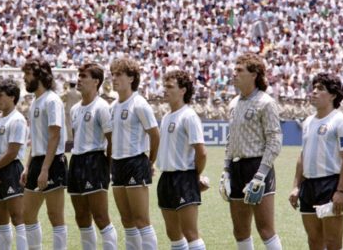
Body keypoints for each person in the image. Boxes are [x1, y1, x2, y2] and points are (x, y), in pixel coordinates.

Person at [218, 53, 283, 250]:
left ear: (254, 74)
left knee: (265, 229)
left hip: (257, 167)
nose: (234, 73)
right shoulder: (233, 103)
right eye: (234, 69)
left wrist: (260, 174)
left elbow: (274, 140)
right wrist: (226, 170)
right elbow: (231, 140)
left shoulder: (266, 102)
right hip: (236, 168)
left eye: (240, 70)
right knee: (240, 230)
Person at [288, 73, 343, 250]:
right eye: (314, 88)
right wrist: (296, 186)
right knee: (314, 241)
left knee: (333, 243)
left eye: (320, 89)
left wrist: (340, 190)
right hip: (308, 186)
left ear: (333, 95)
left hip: (330, 184)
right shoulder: (308, 121)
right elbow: (303, 155)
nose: (314, 92)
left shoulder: (342, 121)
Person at [109, 57, 160, 250]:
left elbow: (155, 134)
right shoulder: (113, 107)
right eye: (112, 74)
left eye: (119, 74)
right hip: (117, 163)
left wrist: (150, 161)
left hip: (135, 162)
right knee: (126, 220)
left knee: (141, 220)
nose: (114, 78)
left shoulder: (139, 103)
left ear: (131, 78)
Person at [156, 70, 207, 250]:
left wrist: (195, 176)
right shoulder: (166, 117)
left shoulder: (189, 116)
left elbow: (201, 153)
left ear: (183, 90)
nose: (165, 90)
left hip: (184, 178)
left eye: (170, 87)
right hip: (166, 178)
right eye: (165, 86)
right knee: (173, 233)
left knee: (190, 233)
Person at [20, 57, 68, 249]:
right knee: (28, 214)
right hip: (38, 162)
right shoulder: (35, 102)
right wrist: (27, 165)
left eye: (27, 74)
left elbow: (54, 136)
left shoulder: (52, 100)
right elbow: (37, 139)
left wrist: (45, 169)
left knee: (55, 216)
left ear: (39, 75)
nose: (24, 78)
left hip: (53, 162)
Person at [69, 63, 118, 250]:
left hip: (95, 161)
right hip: (76, 161)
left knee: (100, 217)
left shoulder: (102, 107)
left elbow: (111, 139)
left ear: (96, 81)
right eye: (78, 75)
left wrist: (106, 164)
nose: (78, 79)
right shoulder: (74, 109)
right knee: (81, 217)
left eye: (83, 76)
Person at [0, 79, 29, 250]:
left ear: (12, 97)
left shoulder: (17, 120)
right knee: (0, 218)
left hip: (11, 169)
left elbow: (12, 152)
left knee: (17, 217)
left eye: (0, 95)